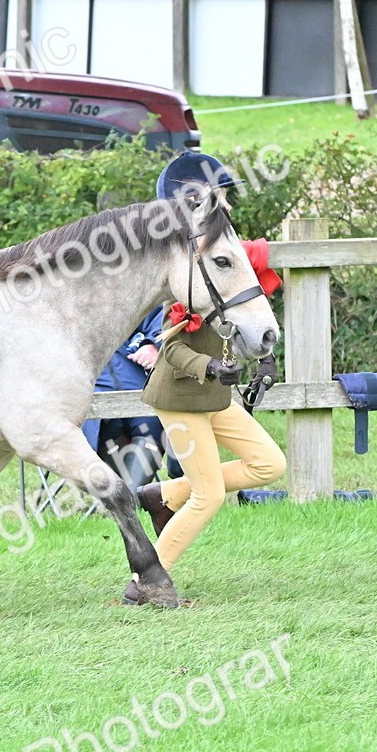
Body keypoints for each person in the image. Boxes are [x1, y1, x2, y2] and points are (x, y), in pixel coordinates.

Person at [126, 151, 285, 604]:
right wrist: (209, 366)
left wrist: (265, 361)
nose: (227, 206)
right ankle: (146, 582)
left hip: (214, 397)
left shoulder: (223, 256)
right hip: (178, 397)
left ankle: (162, 495)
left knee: (269, 465)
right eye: (220, 198)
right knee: (209, 495)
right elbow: (170, 350)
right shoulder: (185, 277)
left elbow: (244, 313)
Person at [82, 305, 180, 493]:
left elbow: (155, 316)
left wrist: (154, 345)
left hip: (138, 388)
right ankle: (126, 501)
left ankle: (130, 503)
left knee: (152, 426)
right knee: (102, 431)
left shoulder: (118, 289)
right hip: (92, 400)